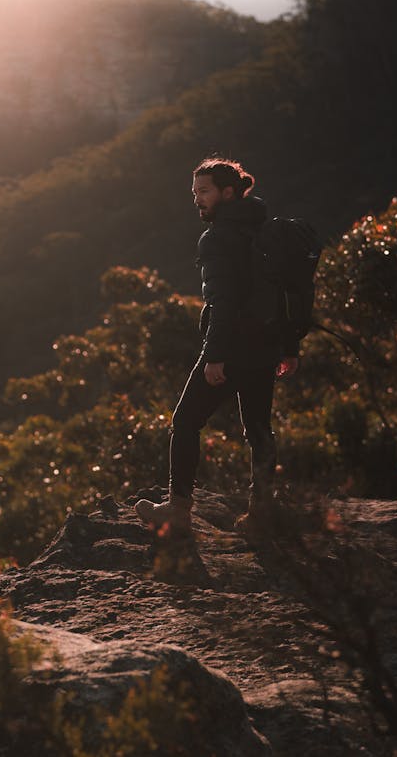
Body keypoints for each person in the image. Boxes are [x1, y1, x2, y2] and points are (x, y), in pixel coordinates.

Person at [135, 157, 299, 536]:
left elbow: (223, 303)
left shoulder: (218, 237)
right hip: (267, 347)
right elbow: (287, 293)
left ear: (228, 193)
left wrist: (214, 356)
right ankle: (262, 513)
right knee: (259, 428)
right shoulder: (268, 230)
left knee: (186, 421)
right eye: (194, 192)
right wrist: (289, 347)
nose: (197, 199)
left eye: (204, 191)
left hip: (233, 348)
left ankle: (177, 511)